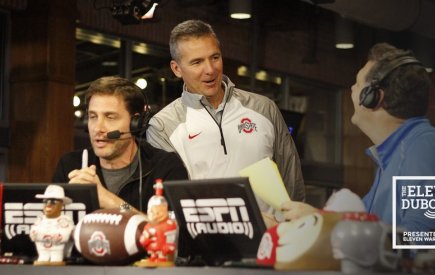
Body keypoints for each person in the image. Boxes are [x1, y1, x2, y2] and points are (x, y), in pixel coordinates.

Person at [281, 43, 435, 235]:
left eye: (357, 83)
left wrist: (323, 222)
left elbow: (428, 241)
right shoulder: (396, 156)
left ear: (372, 96)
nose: (352, 90)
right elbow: (363, 226)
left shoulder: (429, 150)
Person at [146, 19, 305, 213]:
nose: (210, 70)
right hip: (203, 241)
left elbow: (292, 181)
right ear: (176, 69)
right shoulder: (163, 126)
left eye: (215, 57)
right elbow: (167, 202)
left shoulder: (264, 108)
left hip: (268, 239)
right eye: (197, 62)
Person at [52, 76, 188, 212]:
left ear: (135, 123)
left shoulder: (165, 167)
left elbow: (170, 231)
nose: (98, 128)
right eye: (93, 117)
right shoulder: (70, 165)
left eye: (110, 117)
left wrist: (109, 201)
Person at [30, 184, 75, 265]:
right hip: (42, 250)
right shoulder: (39, 220)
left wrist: (44, 235)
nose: (48, 204)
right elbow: (33, 235)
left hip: (57, 251)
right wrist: (50, 236)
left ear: (61, 205)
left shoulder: (65, 220)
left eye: (53, 202)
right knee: (42, 258)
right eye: (45, 201)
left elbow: (64, 236)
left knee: (56, 259)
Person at [138, 179, 177, 267]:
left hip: (163, 252)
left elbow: (171, 239)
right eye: (152, 212)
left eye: (158, 212)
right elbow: (143, 239)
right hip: (151, 251)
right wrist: (145, 239)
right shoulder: (149, 226)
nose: (156, 215)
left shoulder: (168, 224)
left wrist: (169, 247)